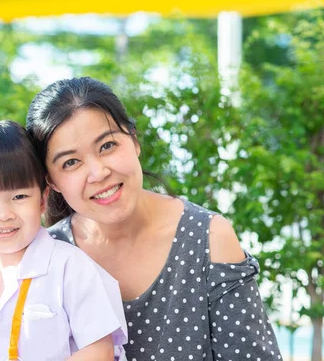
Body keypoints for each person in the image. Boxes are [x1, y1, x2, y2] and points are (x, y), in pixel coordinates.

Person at [26, 77, 282, 360]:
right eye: (71, 162)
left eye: (107, 145)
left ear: (134, 141)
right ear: (52, 181)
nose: (98, 173)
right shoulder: (44, 257)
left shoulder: (208, 237)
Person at [0, 120, 128, 361]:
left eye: (19, 196)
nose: (4, 214)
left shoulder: (70, 267)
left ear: (43, 199)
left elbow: (99, 352)